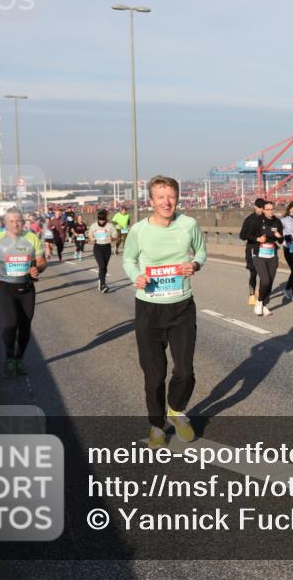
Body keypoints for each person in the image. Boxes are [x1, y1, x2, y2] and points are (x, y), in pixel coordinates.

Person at [122, 175, 207, 450]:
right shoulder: (139, 230)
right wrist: (136, 276)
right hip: (149, 309)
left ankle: (176, 409)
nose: (167, 202)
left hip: (182, 306)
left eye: (171, 196)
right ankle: (157, 425)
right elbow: (128, 258)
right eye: (161, 197)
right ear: (151, 201)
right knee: (154, 374)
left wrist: (194, 265)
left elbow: (202, 252)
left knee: (185, 369)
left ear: (178, 198)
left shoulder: (188, 225)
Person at [0, 208, 47, 378]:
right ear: (5, 222)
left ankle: (19, 358)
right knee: (10, 324)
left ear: (23, 221)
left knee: (25, 327)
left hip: (26, 288)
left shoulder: (32, 238)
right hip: (4, 287)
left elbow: (41, 261)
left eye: (18, 220)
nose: (15, 224)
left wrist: (37, 269)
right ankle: (9, 358)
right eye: (11, 221)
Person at [252, 200, 283, 317]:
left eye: (272, 209)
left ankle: (264, 305)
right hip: (259, 255)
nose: (270, 211)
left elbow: (281, 240)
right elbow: (246, 235)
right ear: (264, 210)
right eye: (268, 209)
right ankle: (259, 302)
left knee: (270, 282)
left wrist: (279, 236)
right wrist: (258, 239)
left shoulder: (277, 222)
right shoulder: (257, 221)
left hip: (272, 255)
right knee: (265, 281)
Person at [238, 198, 266, 306]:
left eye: (263, 208)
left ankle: (260, 291)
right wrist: (256, 239)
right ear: (255, 207)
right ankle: (251, 294)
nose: (261, 210)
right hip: (252, 249)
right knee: (253, 273)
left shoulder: (267, 218)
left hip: (265, 249)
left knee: (264, 274)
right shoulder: (249, 219)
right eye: (259, 208)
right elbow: (242, 235)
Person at [88, 208, 118, 292]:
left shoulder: (110, 226)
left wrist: (112, 237)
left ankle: (101, 281)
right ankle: (102, 285)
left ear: (105, 219)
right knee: (101, 266)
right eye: (100, 220)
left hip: (107, 248)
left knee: (104, 267)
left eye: (103, 220)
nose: (101, 222)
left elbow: (115, 235)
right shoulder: (93, 226)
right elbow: (90, 235)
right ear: (98, 219)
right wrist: (92, 239)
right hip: (98, 248)